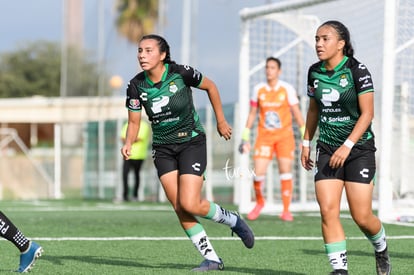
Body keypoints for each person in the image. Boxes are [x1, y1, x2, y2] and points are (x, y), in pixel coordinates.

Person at [121, 34, 254, 271]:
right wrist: (129, 142)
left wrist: (221, 121)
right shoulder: (135, 85)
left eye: (149, 50)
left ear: (162, 55)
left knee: (190, 203)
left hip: (190, 142)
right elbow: (133, 122)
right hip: (162, 149)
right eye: (140, 50)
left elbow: (211, 87)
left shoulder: (180, 73)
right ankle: (212, 259)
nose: (142, 55)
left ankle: (233, 220)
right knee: (179, 207)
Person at [300, 20, 391, 275]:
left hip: (359, 149)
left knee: (361, 216)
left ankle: (381, 246)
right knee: (328, 209)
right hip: (327, 148)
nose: (318, 44)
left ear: (341, 44)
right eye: (317, 38)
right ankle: (340, 270)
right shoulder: (314, 72)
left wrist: (348, 146)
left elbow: (367, 114)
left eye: (325, 39)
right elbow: (313, 109)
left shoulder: (357, 71)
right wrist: (306, 141)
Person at [239, 57, 305, 222]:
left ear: (279, 71)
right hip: (264, 137)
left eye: (273, 68)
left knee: (285, 172)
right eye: (267, 67)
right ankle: (260, 202)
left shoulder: (287, 89)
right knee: (258, 173)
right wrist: (245, 137)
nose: (269, 70)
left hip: (284, 137)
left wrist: (305, 137)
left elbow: (297, 113)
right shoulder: (259, 90)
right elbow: (253, 113)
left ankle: (286, 210)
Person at [120, 119, 150, 201]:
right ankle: (125, 196)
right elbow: (122, 137)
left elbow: (139, 138)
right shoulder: (128, 124)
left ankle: (135, 196)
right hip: (128, 154)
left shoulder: (144, 125)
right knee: (124, 174)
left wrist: (128, 140)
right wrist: (130, 140)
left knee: (136, 175)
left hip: (139, 156)